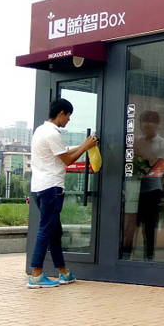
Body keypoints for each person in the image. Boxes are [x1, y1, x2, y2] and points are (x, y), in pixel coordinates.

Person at [27, 98, 98, 288]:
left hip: (39, 187)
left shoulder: (41, 131)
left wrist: (84, 146)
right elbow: (67, 160)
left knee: (54, 231)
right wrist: (85, 147)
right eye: (68, 116)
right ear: (61, 113)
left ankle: (63, 272)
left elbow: (63, 154)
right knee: (46, 230)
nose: (68, 120)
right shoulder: (53, 133)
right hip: (52, 188)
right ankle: (36, 275)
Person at [132, 110, 164, 261]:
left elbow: (158, 166)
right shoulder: (135, 141)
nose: (147, 124)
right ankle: (128, 254)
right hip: (134, 188)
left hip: (152, 189)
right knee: (132, 223)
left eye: (152, 121)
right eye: (144, 121)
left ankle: (149, 256)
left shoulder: (163, 144)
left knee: (149, 225)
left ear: (158, 125)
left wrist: (142, 154)